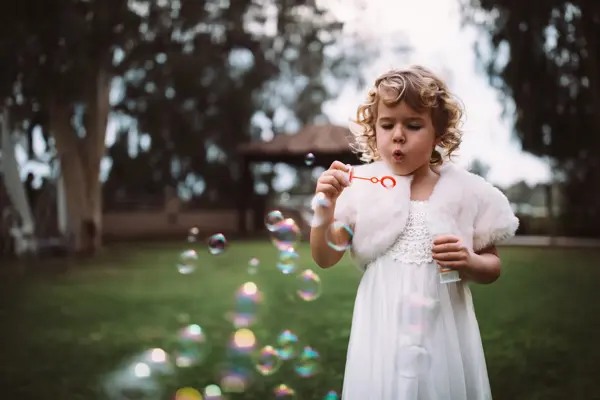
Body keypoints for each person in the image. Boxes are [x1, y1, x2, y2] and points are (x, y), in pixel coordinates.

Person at [310, 65, 519, 400]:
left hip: (444, 326)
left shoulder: (465, 191)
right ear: (373, 129)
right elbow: (324, 257)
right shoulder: (361, 189)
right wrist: (325, 208)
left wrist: (470, 261)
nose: (398, 135)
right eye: (387, 123)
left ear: (438, 133)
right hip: (382, 325)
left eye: (413, 124)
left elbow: (492, 266)